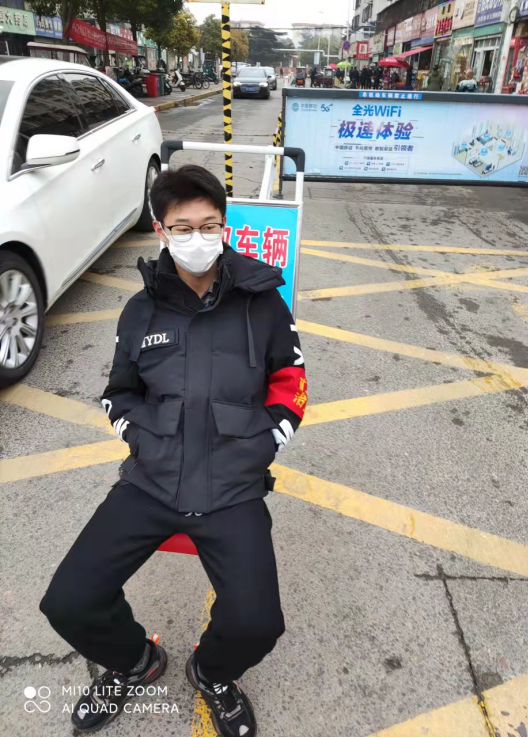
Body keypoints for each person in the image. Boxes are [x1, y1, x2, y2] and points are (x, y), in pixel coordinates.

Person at [39, 165, 308, 738]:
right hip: (151, 482)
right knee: (68, 601)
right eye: (182, 227)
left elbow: (291, 381)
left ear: (224, 226)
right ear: (161, 231)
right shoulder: (140, 312)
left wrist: (263, 445)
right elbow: (120, 392)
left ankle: (213, 673)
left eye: (209, 225)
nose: (197, 238)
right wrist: (142, 439)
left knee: (258, 623)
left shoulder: (263, 302)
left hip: (233, 487)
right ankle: (135, 661)